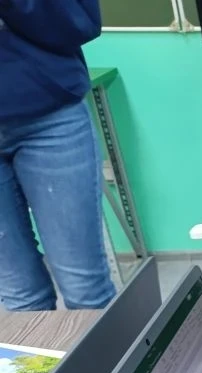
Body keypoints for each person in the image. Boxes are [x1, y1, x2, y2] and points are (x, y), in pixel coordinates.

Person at [0, 0, 115, 311]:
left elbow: (80, 23)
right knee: (19, 295)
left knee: (86, 289)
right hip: (47, 106)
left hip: (48, 113)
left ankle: (106, 346)